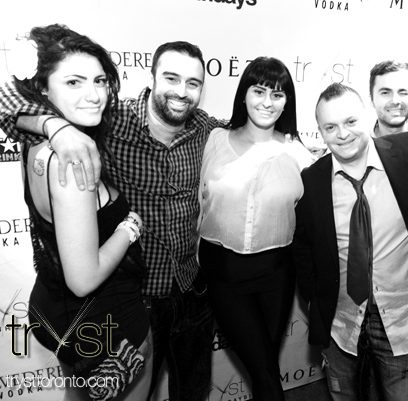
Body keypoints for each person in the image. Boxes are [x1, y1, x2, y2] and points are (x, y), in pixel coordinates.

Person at [0, 40, 223, 401]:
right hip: (138, 296)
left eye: (193, 83)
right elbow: (7, 102)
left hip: (190, 290)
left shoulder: (205, 128)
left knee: (193, 392)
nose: (182, 91)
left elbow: (249, 127)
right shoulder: (109, 118)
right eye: (171, 78)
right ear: (152, 78)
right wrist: (55, 126)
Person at [2, 24, 151, 400]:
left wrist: (51, 124)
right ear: (42, 89)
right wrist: (129, 228)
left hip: (58, 312)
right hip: (104, 321)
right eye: (73, 82)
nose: (94, 95)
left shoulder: (38, 140)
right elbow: (83, 280)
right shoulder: (72, 161)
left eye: (100, 81)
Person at [292, 82, 408, 401]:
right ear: (320, 132)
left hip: (401, 320)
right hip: (341, 322)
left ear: (367, 116)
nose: (342, 134)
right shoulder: (311, 180)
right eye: (330, 127)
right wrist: (314, 300)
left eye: (351, 121)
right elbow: (303, 247)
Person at [198, 56, 313, 401]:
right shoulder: (214, 139)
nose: (267, 102)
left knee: (265, 369)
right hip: (224, 273)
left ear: (287, 101)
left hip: (277, 274)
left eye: (277, 94)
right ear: (244, 95)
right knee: (264, 373)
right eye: (259, 91)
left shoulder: (297, 152)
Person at [369, 61, 408, 138]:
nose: (395, 101)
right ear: (371, 99)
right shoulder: (358, 139)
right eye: (385, 93)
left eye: (403, 93)